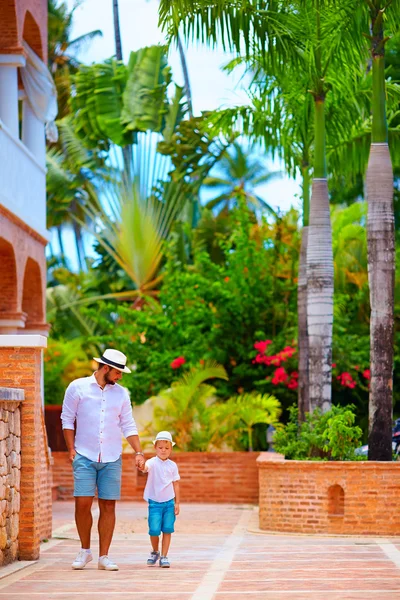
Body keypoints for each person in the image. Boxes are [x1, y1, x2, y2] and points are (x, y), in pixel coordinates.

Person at [61, 348, 145, 571]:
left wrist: (138, 452)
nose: (120, 377)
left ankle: (104, 556)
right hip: (84, 455)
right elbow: (67, 419)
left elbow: (128, 424)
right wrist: (71, 449)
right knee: (83, 502)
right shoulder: (77, 388)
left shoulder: (121, 394)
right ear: (106, 368)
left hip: (111, 457)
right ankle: (85, 551)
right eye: (118, 372)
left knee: (108, 504)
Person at [141, 431, 180, 568]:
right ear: (155, 448)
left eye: (167, 448)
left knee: (168, 529)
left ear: (171, 449)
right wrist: (141, 465)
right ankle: (155, 551)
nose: (163, 450)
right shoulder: (151, 462)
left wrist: (177, 502)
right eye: (160, 447)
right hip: (154, 503)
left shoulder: (173, 466)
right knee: (154, 530)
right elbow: (145, 468)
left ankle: (164, 556)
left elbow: (176, 483)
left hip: (169, 502)